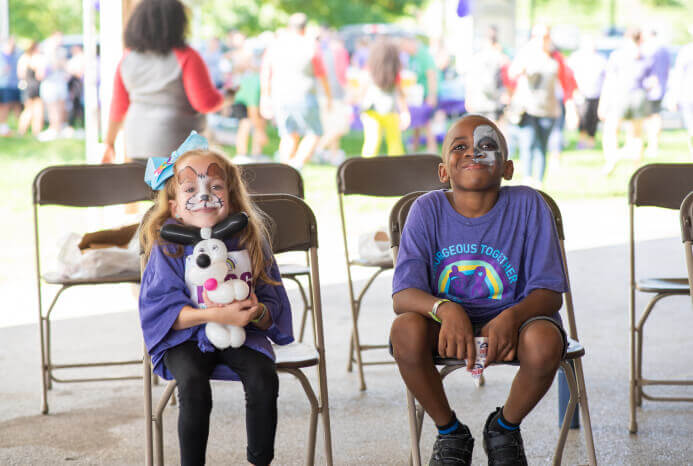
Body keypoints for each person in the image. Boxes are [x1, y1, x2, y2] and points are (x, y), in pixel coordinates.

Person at [390, 114, 568, 466]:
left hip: (517, 322)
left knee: (547, 342)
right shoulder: (426, 210)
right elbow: (403, 295)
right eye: (460, 147)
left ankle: (504, 427)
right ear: (443, 171)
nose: (474, 152)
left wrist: (511, 316)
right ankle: (450, 432)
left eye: (488, 146)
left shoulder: (529, 205)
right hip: (443, 325)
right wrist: (446, 309)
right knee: (404, 331)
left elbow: (550, 293)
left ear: (508, 168)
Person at [139, 131, 293, 466]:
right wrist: (215, 316)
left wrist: (256, 312)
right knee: (193, 383)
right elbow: (162, 314)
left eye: (216, 187)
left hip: (244, 334)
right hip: (186, 337)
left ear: (234, 201)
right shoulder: (168, 248)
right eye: (191, 189)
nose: (204, 195)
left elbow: (272, 308)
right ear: (175, 207)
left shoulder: (251, 243)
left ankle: (260, 460)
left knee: (264, 377)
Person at [102, 0, 230, 164]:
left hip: (137, 142)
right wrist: (227, 96)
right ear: (177, 23)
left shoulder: (127, 59)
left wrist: (109, 143)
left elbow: (118, 107)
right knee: (180, 189)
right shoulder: (186, 56)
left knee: (144, 187)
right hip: (178, 144)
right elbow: (205, 102)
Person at [260, 13, 332, 169]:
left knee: (288, 135)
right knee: (315, 133)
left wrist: (265, 97)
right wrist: (328, 97)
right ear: (305, 28)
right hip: (305, 96)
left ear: (288, 27)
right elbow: (322, 75)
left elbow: (266, 71)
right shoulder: (310, 45)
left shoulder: (276, 45)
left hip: (280, 97)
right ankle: (296, 165)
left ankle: (284, 171)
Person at [509, 24, 576, 187]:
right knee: (528, 144)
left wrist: (570, 108)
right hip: (527, 109)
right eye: (537, 36)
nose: (541, 40)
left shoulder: (555, 57)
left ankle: (538, 183)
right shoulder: (526, 53)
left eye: (545, 36)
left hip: (548, 110)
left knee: (541, 147)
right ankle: (527, 180)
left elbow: (567, 84)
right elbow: (512, 73)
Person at [598, 27, 652, 174]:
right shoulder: (645, 56)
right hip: (639, 95)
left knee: (611, 130)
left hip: (620, 95)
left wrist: (603, 103)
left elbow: (609, 80)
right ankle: (637, 168)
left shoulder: (617, 56)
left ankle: (612, 159)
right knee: (636, 134)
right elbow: (651, 82)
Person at [359, 38, 409, 157]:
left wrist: (359, 104)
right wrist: (404, 112)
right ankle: (396, 169)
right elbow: (400, 93)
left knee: (371, 143)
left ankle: (364, 170)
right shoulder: (394, 73)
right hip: (390, 111)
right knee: (395, 143)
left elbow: (362, 88)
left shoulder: (370, 70)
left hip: (371, 111)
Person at [400, 35, 439, 152]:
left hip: (427, 93)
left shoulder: (423, 54)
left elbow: (431, 74)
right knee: (417, 119)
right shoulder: (412, 57)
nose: (404, 49)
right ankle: (416, 145)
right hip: (417, 94)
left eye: (404, 46)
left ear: (410, 42)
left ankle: (432, 147)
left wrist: (432, 95)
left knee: (425, 120)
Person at [567, 36, 607, 149]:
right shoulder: (576, 58)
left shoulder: (601, 59)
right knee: (583, 117)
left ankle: (591, 140)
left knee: (593, 118)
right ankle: (582, 140)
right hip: (581, 93)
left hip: (596, 93)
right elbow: (569, 75)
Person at [668, 25, 693, 155]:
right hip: (688, 95)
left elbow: (678, 75)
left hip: (688, 95)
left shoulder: (686, 51)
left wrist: (674, 97)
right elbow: (678, 75)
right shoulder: (686, 51)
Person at [16, 40, 44, 137]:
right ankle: (35, 131)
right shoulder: (35, 59)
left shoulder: (23, 58)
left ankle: (23, 131)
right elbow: (40, 75)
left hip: (27, 86)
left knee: (30, 110)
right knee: (35, 110)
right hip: (34, 86)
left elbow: (20, 74)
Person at [0, 36, 22, 136]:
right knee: (5, 106)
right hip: (4, 85)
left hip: (15, 85)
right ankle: (3, 127)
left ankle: (20, 128)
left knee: (17, 105)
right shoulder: (2, 55)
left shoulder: (16, 55)